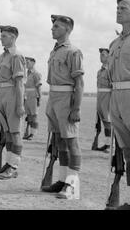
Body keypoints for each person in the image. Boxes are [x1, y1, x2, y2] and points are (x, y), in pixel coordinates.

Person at [41, 15, 84, 200]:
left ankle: (72, 185)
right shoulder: (54, 51)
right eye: (53, 26)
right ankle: (62, 179)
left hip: (67, 98)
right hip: (53, 97)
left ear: (67, 29)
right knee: (59, 142)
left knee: (71, 142)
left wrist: (76, 108)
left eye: (56, 26)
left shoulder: (73, 51)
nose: (52, 29)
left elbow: (80, 82)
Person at [107, 0, 130, 209]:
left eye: (124, 8)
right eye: (118, 7)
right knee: (128, 153)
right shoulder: (114, 42)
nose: (118, 10)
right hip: (116, 98)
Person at [0, 26, 26, 180]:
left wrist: (20, 105)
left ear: (13, 38)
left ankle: (14, 166)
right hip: (1, 94)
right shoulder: (2, 56)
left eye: (4, 36)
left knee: (15, 132)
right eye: (1, 36)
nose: (1, 38)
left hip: (12, 94)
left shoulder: (16, 56)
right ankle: (8, 163)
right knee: (7, 133)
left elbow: (19, 83)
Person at [92, 48, 112, 152]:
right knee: (103, 122)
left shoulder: (110, 70)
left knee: (108, 121)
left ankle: (109, 146)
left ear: (109, 56)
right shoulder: (100, 71)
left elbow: (113, 86)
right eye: (100, 55)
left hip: (108, 97)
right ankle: (107, 143)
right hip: (100, 97)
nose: (101, 56)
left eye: (104, 55)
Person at [23, 57, 42, 140]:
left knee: (34, 116)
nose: (26, 64)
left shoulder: (36, 73)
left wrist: (39, 98)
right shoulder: (26, 73)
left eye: (28, 62)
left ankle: (33, 134)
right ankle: (28, 133)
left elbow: (39, 87)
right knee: (29, 116)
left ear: (33, 63)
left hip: (34, 96)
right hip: (26, 96)